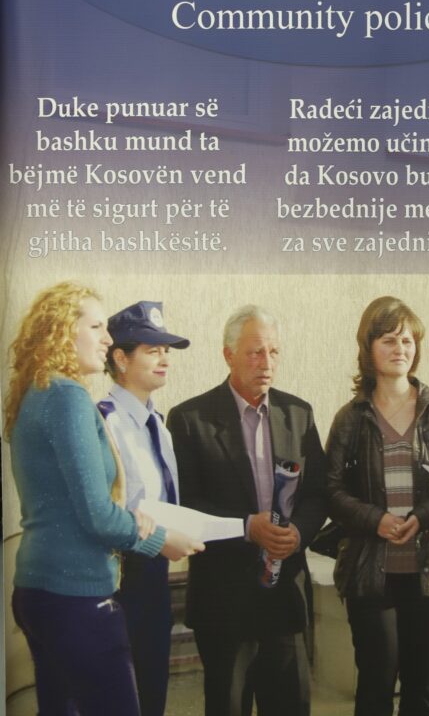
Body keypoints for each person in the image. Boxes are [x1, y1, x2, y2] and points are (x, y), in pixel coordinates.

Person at [5, 282, 203, 716]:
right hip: (77, 596)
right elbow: (96, 514)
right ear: (62, 330)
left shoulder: (35, 392)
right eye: (96, 327)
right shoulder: (68, 396)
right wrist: (157, 538)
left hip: (38, 590)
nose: (108, 338)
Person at [167, 304, 327, 716]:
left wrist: (298, 533)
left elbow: (317, 493)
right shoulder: (190, 420)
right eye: (256, 352)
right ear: (228, 355)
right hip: (224, 599)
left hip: (285, 597)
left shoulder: (298, 414)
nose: (267, 363)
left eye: (274, 352)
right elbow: (186, 503)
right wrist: (245, 527)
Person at [326, 295, 429, 716]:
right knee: (375, 685)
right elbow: (331, 490)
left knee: (421, 690)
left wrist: (422, 517)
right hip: (370, 572)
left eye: (407, 340)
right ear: (368, 348)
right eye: (388, 340)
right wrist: (377, 520)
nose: (400, 349)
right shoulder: (351, 418)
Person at [98, 300, 190, 716]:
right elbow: (104, 512)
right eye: (153, 351)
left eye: (166, 351)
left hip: (156, 578)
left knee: (152, 693)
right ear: (120, 358)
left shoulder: (160, 426)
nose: (165, 360)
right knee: (119, 697)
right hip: (119, 579)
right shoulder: (105, 423)